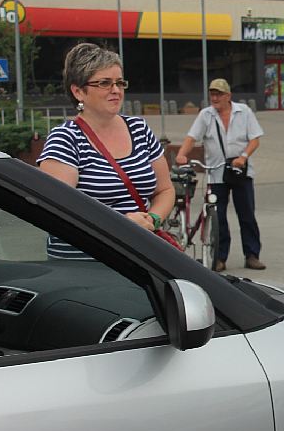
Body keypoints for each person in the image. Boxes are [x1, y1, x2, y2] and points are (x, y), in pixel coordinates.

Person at [38, 42, 174, 260]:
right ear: (78, 91)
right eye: (104, 83)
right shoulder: (66, 139)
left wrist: (152, 220)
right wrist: (123, 226)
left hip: (139, 259)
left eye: (120, 83)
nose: (116, 90)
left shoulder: (138, 129)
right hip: (87, 264)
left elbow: (165, 190)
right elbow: (58, 210)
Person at [176, 78, 265, 272]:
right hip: (216, 172)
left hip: (240, 170)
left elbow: (255, 139)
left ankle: (252, 255)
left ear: (228, 96)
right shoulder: (205, 115)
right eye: (212, 94)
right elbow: (192, 138)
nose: (214, 98)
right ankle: (219, 257)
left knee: (247, 214)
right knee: (218, 216)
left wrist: (243, 156)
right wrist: (182, 154)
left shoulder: (244, 112)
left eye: (218, 94)